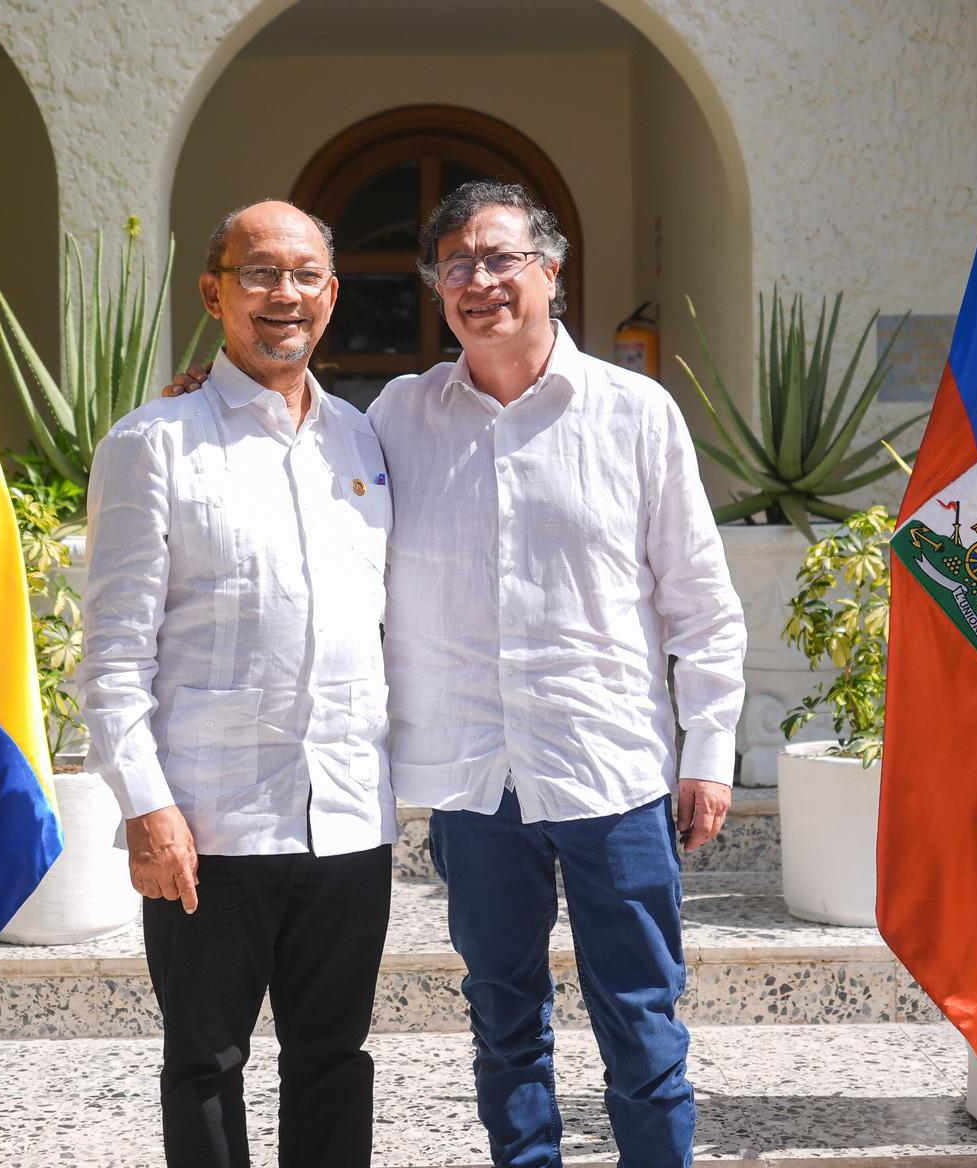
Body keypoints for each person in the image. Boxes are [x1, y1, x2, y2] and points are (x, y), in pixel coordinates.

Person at [369, 181, 745, 1165]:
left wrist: (707, 750)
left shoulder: (633, 413)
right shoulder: (398, 417)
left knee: (641, 1019)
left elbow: (699, 602)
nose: (479, 280)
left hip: (608, 768)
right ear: (437, 290)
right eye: (456, 265)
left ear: (551, 270)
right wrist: (204, 394)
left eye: (500, 257)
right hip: (472, 776)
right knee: (501, 1014)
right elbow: (289, 432)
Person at [79, 199, 394, 1168]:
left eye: (304, 276)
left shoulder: (364, 441)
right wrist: (147, 808)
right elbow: (113, 655)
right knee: (206, 1062)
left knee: (334, 1061)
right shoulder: (152, 444)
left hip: (347, 817)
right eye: (259, 272)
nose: (283, 296)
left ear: (331, 296)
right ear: (214, 290)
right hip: (211, 826)